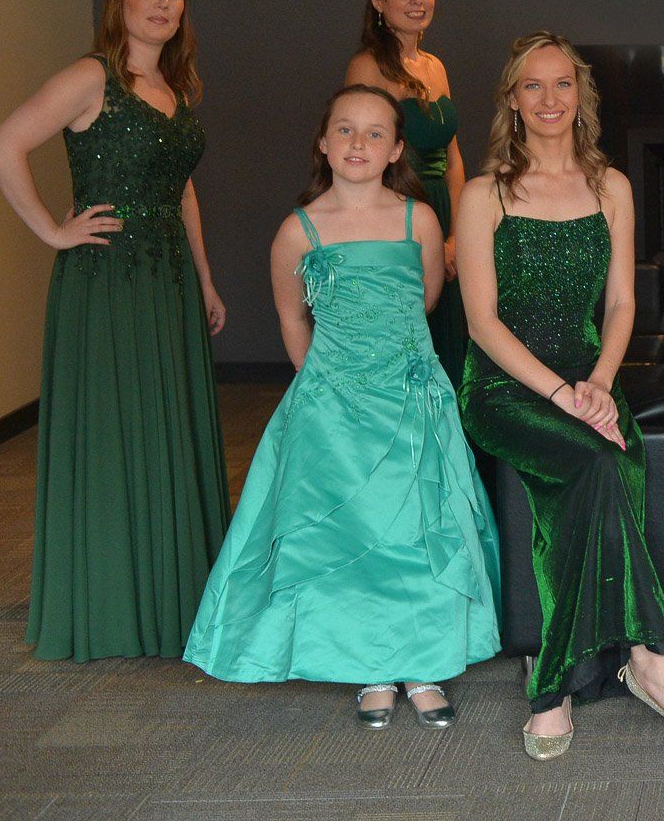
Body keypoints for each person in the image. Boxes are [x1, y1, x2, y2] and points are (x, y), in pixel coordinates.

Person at [184, 86, 500, 727]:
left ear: (397, 149)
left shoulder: (420, 220)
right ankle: (370, 668)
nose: (359, 143)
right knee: (351, 536)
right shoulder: (297, 231)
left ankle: (422, 663)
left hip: (411, 399)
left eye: (375, 133)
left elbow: (428, 299)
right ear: (323, 143)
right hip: (335, 407)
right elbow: (292, 320)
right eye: (346, 131)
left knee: (416, 529)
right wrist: (328, 391)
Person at [456, 32, 664, 760]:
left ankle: (564, 683)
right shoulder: (484, 194)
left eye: (562, 85)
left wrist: (599, 384)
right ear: (512, 99)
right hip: (506, 388)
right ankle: (642, 656)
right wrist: (562, 395)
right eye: (532, 87)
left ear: (581, 97)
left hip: (589, 379)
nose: (549, 100)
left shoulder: (611, 188)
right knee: (600, 464)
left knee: (610, 460)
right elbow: (481, 323)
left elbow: (623, 305)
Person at [0, 0, 229, 662]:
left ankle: (170, 591)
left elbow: (182, 189)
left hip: (167, 278)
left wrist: (207, 279)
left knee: (164, 421)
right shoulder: (92, 75)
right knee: (113, 426)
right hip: (105, 278)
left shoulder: (175, 87)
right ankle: (112, 601)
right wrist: (54, 232)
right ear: (119, 2)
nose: (162, 2)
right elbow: (4, 148)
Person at [346, 0, 468, 387]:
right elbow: (356, 163)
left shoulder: (436, 67)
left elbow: (453, 159)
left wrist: (455, 235)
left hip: (444, 216)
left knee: (452, 348)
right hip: (397, 220)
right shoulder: (366, 67)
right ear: (378, 2)